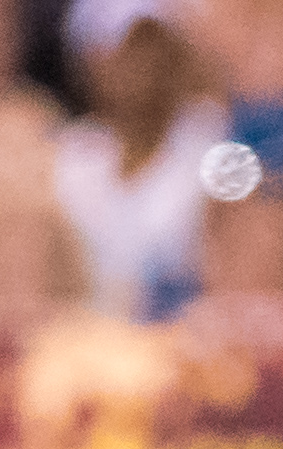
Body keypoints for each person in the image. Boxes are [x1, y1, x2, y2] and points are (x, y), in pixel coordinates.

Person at [51, 0, 225, 317]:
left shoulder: (216, 141)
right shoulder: (69, 155)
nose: (141, 64)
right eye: (124, 49)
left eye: (152, 45)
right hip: (84, 336)